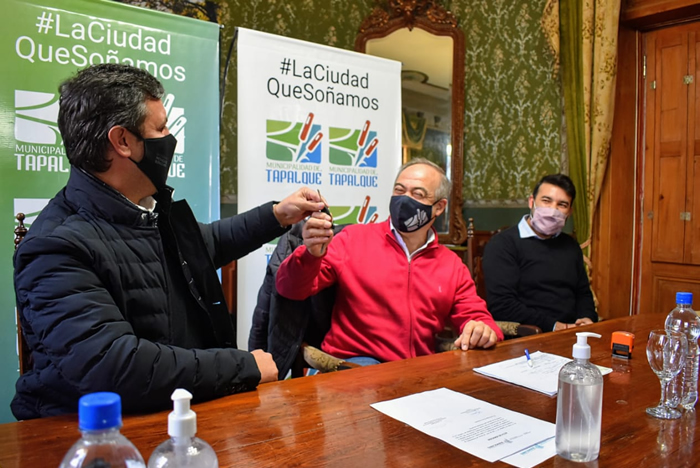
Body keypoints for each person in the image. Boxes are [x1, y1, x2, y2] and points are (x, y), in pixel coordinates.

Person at [12, 64, 325, 420]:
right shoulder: (56, 247)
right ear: (123, 142)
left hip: (180, 411)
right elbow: (113, 367)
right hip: (93, 434)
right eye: (160, 128)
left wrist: (279, 214)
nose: (169, 135)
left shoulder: (147, 209)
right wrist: (244, 367)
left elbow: (208, 243)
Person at [274, 158, 503, 367]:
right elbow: (288, 288)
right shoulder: (352, 240)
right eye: (399, 190)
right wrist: (311, 254)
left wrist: (481, 329)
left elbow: (476, 316)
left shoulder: (451, 265)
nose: (405, 200)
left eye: (418, 194)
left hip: (418, 372)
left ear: (439, 207)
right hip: (352, 368)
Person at [481, 174, 597, 332]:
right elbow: (502, 305)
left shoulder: (571, 246)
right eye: (546, 201)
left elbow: (583, 293)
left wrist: (587, 318)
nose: (552, 210)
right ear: (531, 202)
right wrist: (555, 326)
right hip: (526, 336)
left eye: (562, 204)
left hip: (572, 334)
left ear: (569, 211)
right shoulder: (503, 244)